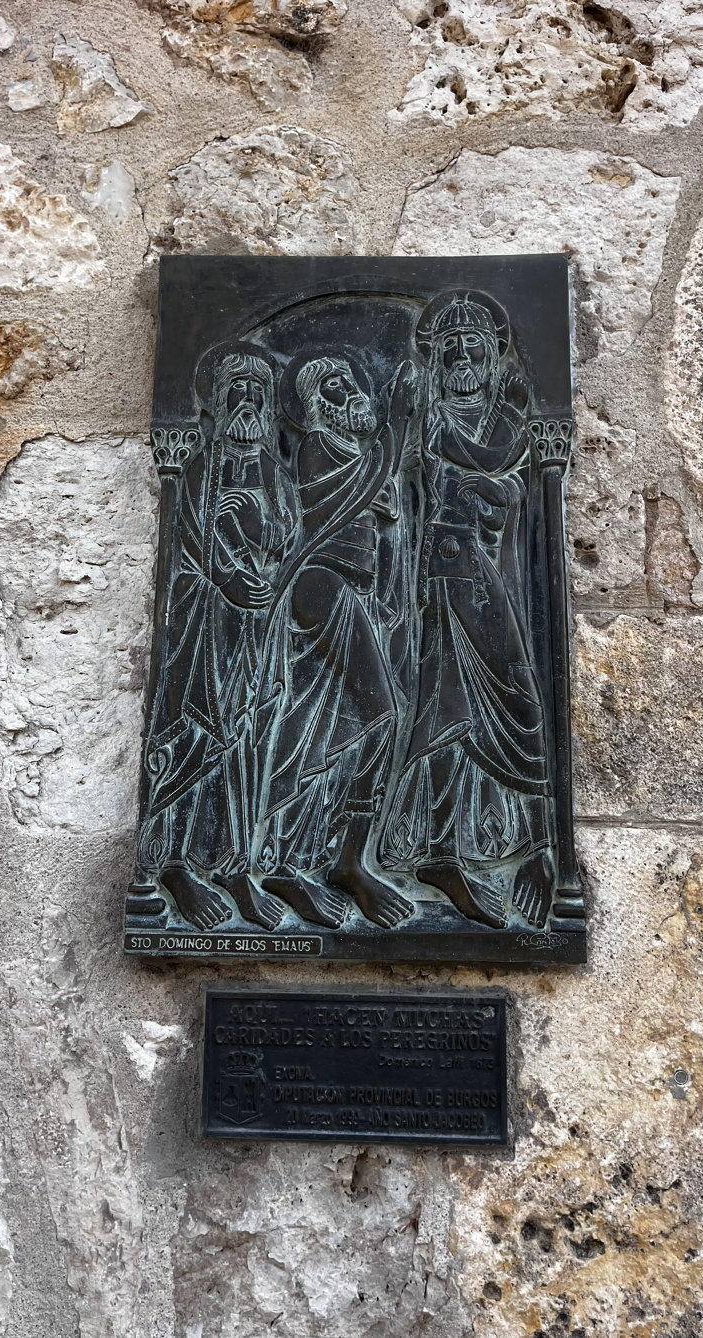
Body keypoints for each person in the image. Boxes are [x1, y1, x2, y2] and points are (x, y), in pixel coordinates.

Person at [383, 292, 555, 930]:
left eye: (472, 347)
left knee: (515, 700)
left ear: (489, 356)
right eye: (449, 347)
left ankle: (529, 845)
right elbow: (418, 481)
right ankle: (442, 853)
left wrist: (495, 489)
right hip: (449, 570)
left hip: (491, 572)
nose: (460, 357)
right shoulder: (428, 420)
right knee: (448, 703)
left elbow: (495, 469)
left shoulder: (495, 420)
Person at [253, 355, 417, 929]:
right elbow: (356, 494)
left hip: (351, 592)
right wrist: (398, 422)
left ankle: (304, 859)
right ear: (316, 404)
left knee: (323, 726)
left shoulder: (354, 454)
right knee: (380, 714)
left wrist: (388, 584)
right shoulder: (317, 448)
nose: (350, 390)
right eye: (334, 385)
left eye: (350, 379)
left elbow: (379, 526)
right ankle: (337, 860)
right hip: (321, 587)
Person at [136, 347, 297, 931]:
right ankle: (174, 865)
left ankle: (233, 865)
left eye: (257, 394)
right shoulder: (203, 465)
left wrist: (258, 531)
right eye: (237, 392)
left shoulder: (274, 472)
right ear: (220, 402)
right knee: (198, 734)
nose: (247, 403)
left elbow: (286, 536)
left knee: (247, 741)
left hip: (257, 625)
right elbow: (187, 530)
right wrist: (226, 573)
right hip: (206, 624)